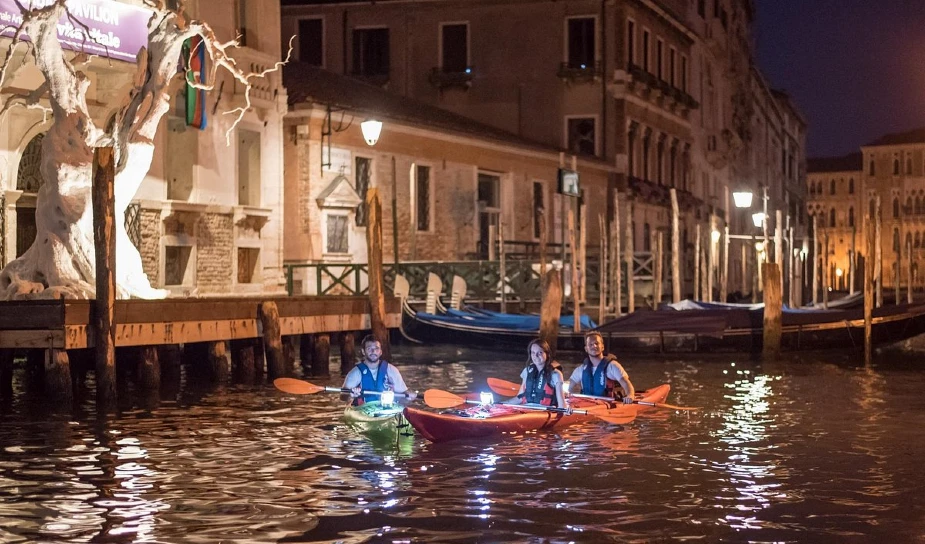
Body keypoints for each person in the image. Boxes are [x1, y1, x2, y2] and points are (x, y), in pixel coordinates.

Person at [342, 334, 417, 405]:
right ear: (363, 352)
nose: (373, 351)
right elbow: (342, 396)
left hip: (387, 409)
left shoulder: (391, 370)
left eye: (376, 348)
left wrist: (408, 397)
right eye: (369, 349)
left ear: (381, 352)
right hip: (363, 410)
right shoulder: (355, 373)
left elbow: (402, 400)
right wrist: (351, 395)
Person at [567, 331, 635, 404]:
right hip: (586, 405)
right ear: (586, 349)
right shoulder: (581, 369)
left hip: (607, 405)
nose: (594, 346)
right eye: (590, 344)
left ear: (602, 347)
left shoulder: (612, 366)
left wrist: (630, 395)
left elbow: (626, 382)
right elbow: (568, 385)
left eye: (597, 343)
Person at [505, 339, 567, 409]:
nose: (536, 356)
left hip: (545, 411)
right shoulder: (527, 371)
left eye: (540, 352)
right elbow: (520, 397)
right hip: (526, 409)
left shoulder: (556, 374)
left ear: (547, 354)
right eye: (533, 353)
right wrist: (502, 404)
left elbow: (561, 404)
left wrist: (565, 411)